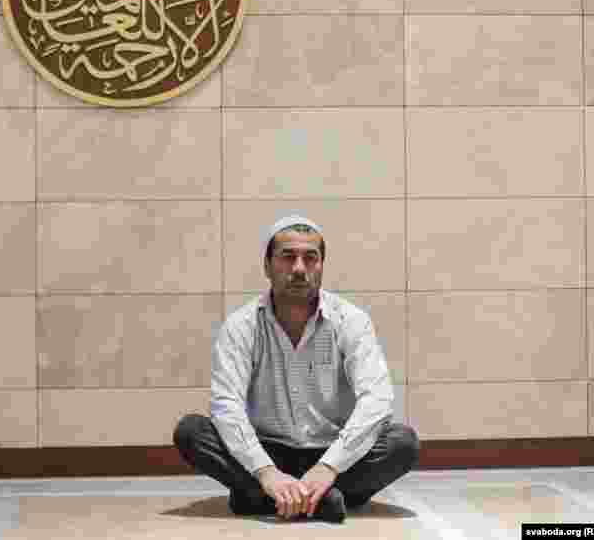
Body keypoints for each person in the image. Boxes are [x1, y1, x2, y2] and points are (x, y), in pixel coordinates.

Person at [173, 215, 418, 523]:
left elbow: (377, 400)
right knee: (192, 432)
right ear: (267, 266)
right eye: (288, 257)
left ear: (321, 266)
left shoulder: (351, 321)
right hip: (267, 450)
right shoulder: (241, 326)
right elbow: (227, 404)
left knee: (402, 443)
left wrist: (328, 467)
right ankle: (317, 499)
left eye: (310, 258)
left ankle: (265, 497)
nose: (299, 268)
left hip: (333, 452)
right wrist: (265, 471)